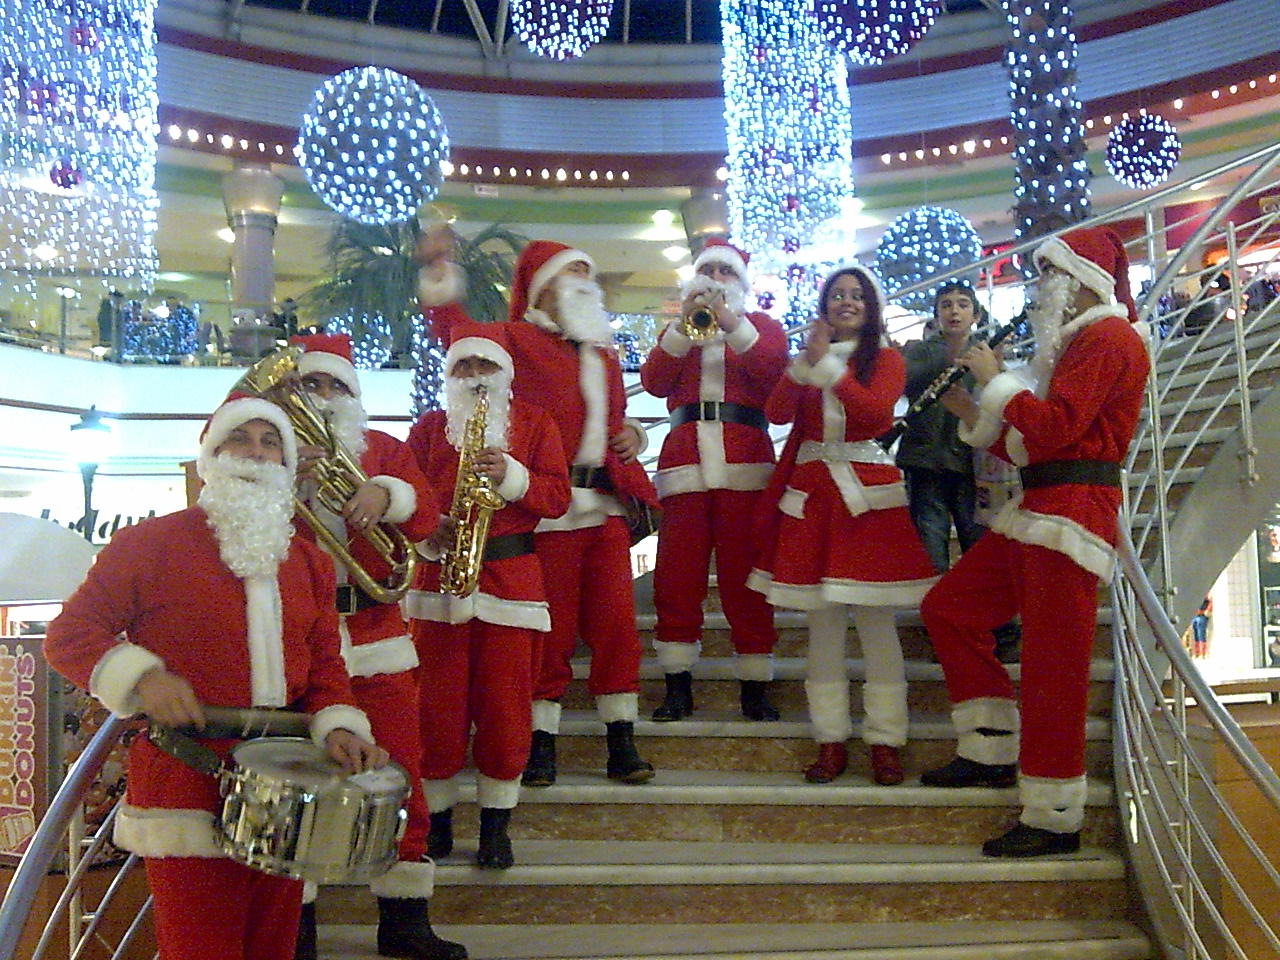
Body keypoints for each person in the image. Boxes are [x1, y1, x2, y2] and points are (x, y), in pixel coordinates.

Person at [43, 393, 387, 960]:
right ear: (210, 455)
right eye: (239, 439)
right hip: (187, 778)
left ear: (286, 462)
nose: (255, 452)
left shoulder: (308, 561)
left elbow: (326, 665)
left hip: (287, 785)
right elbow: (69, 636)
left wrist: (340, 727)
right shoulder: (149, 544)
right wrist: (143, 680)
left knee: (274, 949)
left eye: (270, 442)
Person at [920, 225, 1150, 858]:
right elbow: (1034, 446)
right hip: (1039, 505)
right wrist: (974, 415)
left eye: (1052, 274)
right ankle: (989, 745)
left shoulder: (1109, 337)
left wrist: (998, 379)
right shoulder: (1075, 343)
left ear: (1082, 280)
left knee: (1054, 667)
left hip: (1072, 513)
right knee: (950, 608)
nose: (1042, 286)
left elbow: (1056, 430)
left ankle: (1054, 816)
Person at [416, 228, 659, 787]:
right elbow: (455, 332)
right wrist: (438, 273)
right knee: (552, 633)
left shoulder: (602, 353)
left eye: (587, 274)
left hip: (605, 506)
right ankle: (541, 742)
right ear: (542, 286)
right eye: (573, 272)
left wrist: (634, 434)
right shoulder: (514, 338)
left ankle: (621, 739)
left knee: (617, 627)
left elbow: (608, 421)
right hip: (548, 509)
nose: (584, 283)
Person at [288, 333, 466, 960]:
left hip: (376, 634)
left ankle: (404, 917)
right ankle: (296, 927)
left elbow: (427, 518)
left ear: (355, 395)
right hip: (297, 639)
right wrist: (282, 480)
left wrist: (386, 494)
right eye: (311, 384)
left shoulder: (384, 450)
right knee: (298, 777)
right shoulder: (270, 444)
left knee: (401, 769)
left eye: (336, 385)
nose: (324, 395)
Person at [748, 265, 939, 787]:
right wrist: (802, 365)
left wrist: (828, 368)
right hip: (814, 499)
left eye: (856, 295)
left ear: (871, 306)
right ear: (824, 306)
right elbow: (777, 413)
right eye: (837, 295)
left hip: (867, 498)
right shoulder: (809, 359)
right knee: (823, 629)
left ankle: (886, 740)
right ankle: (830, 739)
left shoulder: (888, 359)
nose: (846, 302)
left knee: (877, 627)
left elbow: (875, 415)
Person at [404, 324, 570, 870]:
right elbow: (407, 496)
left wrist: (514, 476)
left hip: (511, 586)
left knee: (505, 711)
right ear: (449, 377)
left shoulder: (535, 423)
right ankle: (439, 822)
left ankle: (496, 827)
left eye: (485, 366)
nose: (475, 377)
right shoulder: (429, 429)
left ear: (505, 374)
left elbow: (557, 498)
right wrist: (427, 528)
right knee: (435, 711)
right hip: (440, 587)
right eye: (464, 367)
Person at [639, 238, 789, 722]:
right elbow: (654, 382)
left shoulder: (762, 328)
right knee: (676, 577)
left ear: (742, 283)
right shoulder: (681, 330)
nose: (717, 280)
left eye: (727, 272)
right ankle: (677, 684)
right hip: (685, 466)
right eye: (710, 272)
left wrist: (732, 324)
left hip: (745, 464)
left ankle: (754, 686)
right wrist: (682, 328)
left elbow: (774, 377)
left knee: (747, 578)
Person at [896, 283, 1021, 664]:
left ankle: (1000, 629)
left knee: (979, 548)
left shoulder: (986, 352)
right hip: (925, 465)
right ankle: (944, 630)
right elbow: (904, 381)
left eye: (962, 305)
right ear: (936, 314)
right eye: (946, 305)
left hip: (971, 465)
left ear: (976, 315)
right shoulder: (920, 351)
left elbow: (1001, 400)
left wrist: (994, 368)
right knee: (931, 552)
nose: (953, 311)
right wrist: (949, 356)